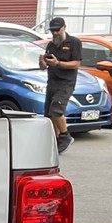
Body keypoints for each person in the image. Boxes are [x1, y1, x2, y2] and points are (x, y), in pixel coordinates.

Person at [38, 17, 82, 154]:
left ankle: (65, 136)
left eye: (57, 30)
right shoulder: (51, 44)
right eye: (52, 30)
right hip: (52, 82)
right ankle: (55, 141)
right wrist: (42, 62)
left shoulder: (74, 42)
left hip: (66, 83)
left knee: (57, 110)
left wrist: (58, 63)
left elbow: (76, 64)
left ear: (64, 27)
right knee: (50, 114)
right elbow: (43, 67)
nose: (55, 33)